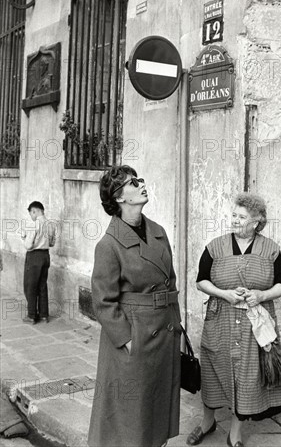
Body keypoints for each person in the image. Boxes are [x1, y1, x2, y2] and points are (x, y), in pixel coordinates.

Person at [187, 193, 281, 447]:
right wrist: (224, 293)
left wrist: (262, 294)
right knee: (213, 371)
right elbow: (201, 280)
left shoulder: (271, 249)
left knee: (247, 377)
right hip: (220, 319)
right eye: (234, 215)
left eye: (242, 217)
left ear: (256, 222)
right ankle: (207, 422)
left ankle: (235, 432)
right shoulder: (215, 246)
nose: (235, 220)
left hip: (254, 324)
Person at [88, 165, 181, 447]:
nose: (141, 185)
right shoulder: (109, 244)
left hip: (164, 332)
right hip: (136, 336)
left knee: (156, 408)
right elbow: (103, 301)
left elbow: (170, 281)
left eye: (139, 179)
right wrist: (129, 340)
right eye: (132, 183)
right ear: (119, 197)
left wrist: (175, 322)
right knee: (131, 414)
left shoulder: (158, 231)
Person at [21, 201, 56, 324]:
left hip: (34, 257)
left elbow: (28, 245)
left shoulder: (34, 224)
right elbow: (52, 243)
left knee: (30, 286)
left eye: (31, 213)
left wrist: (24, 237)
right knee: (42, 285)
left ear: (34, 211)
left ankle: (31, 315)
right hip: (45, 255)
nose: (31, 216)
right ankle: (44, 315)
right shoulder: (51, 225)